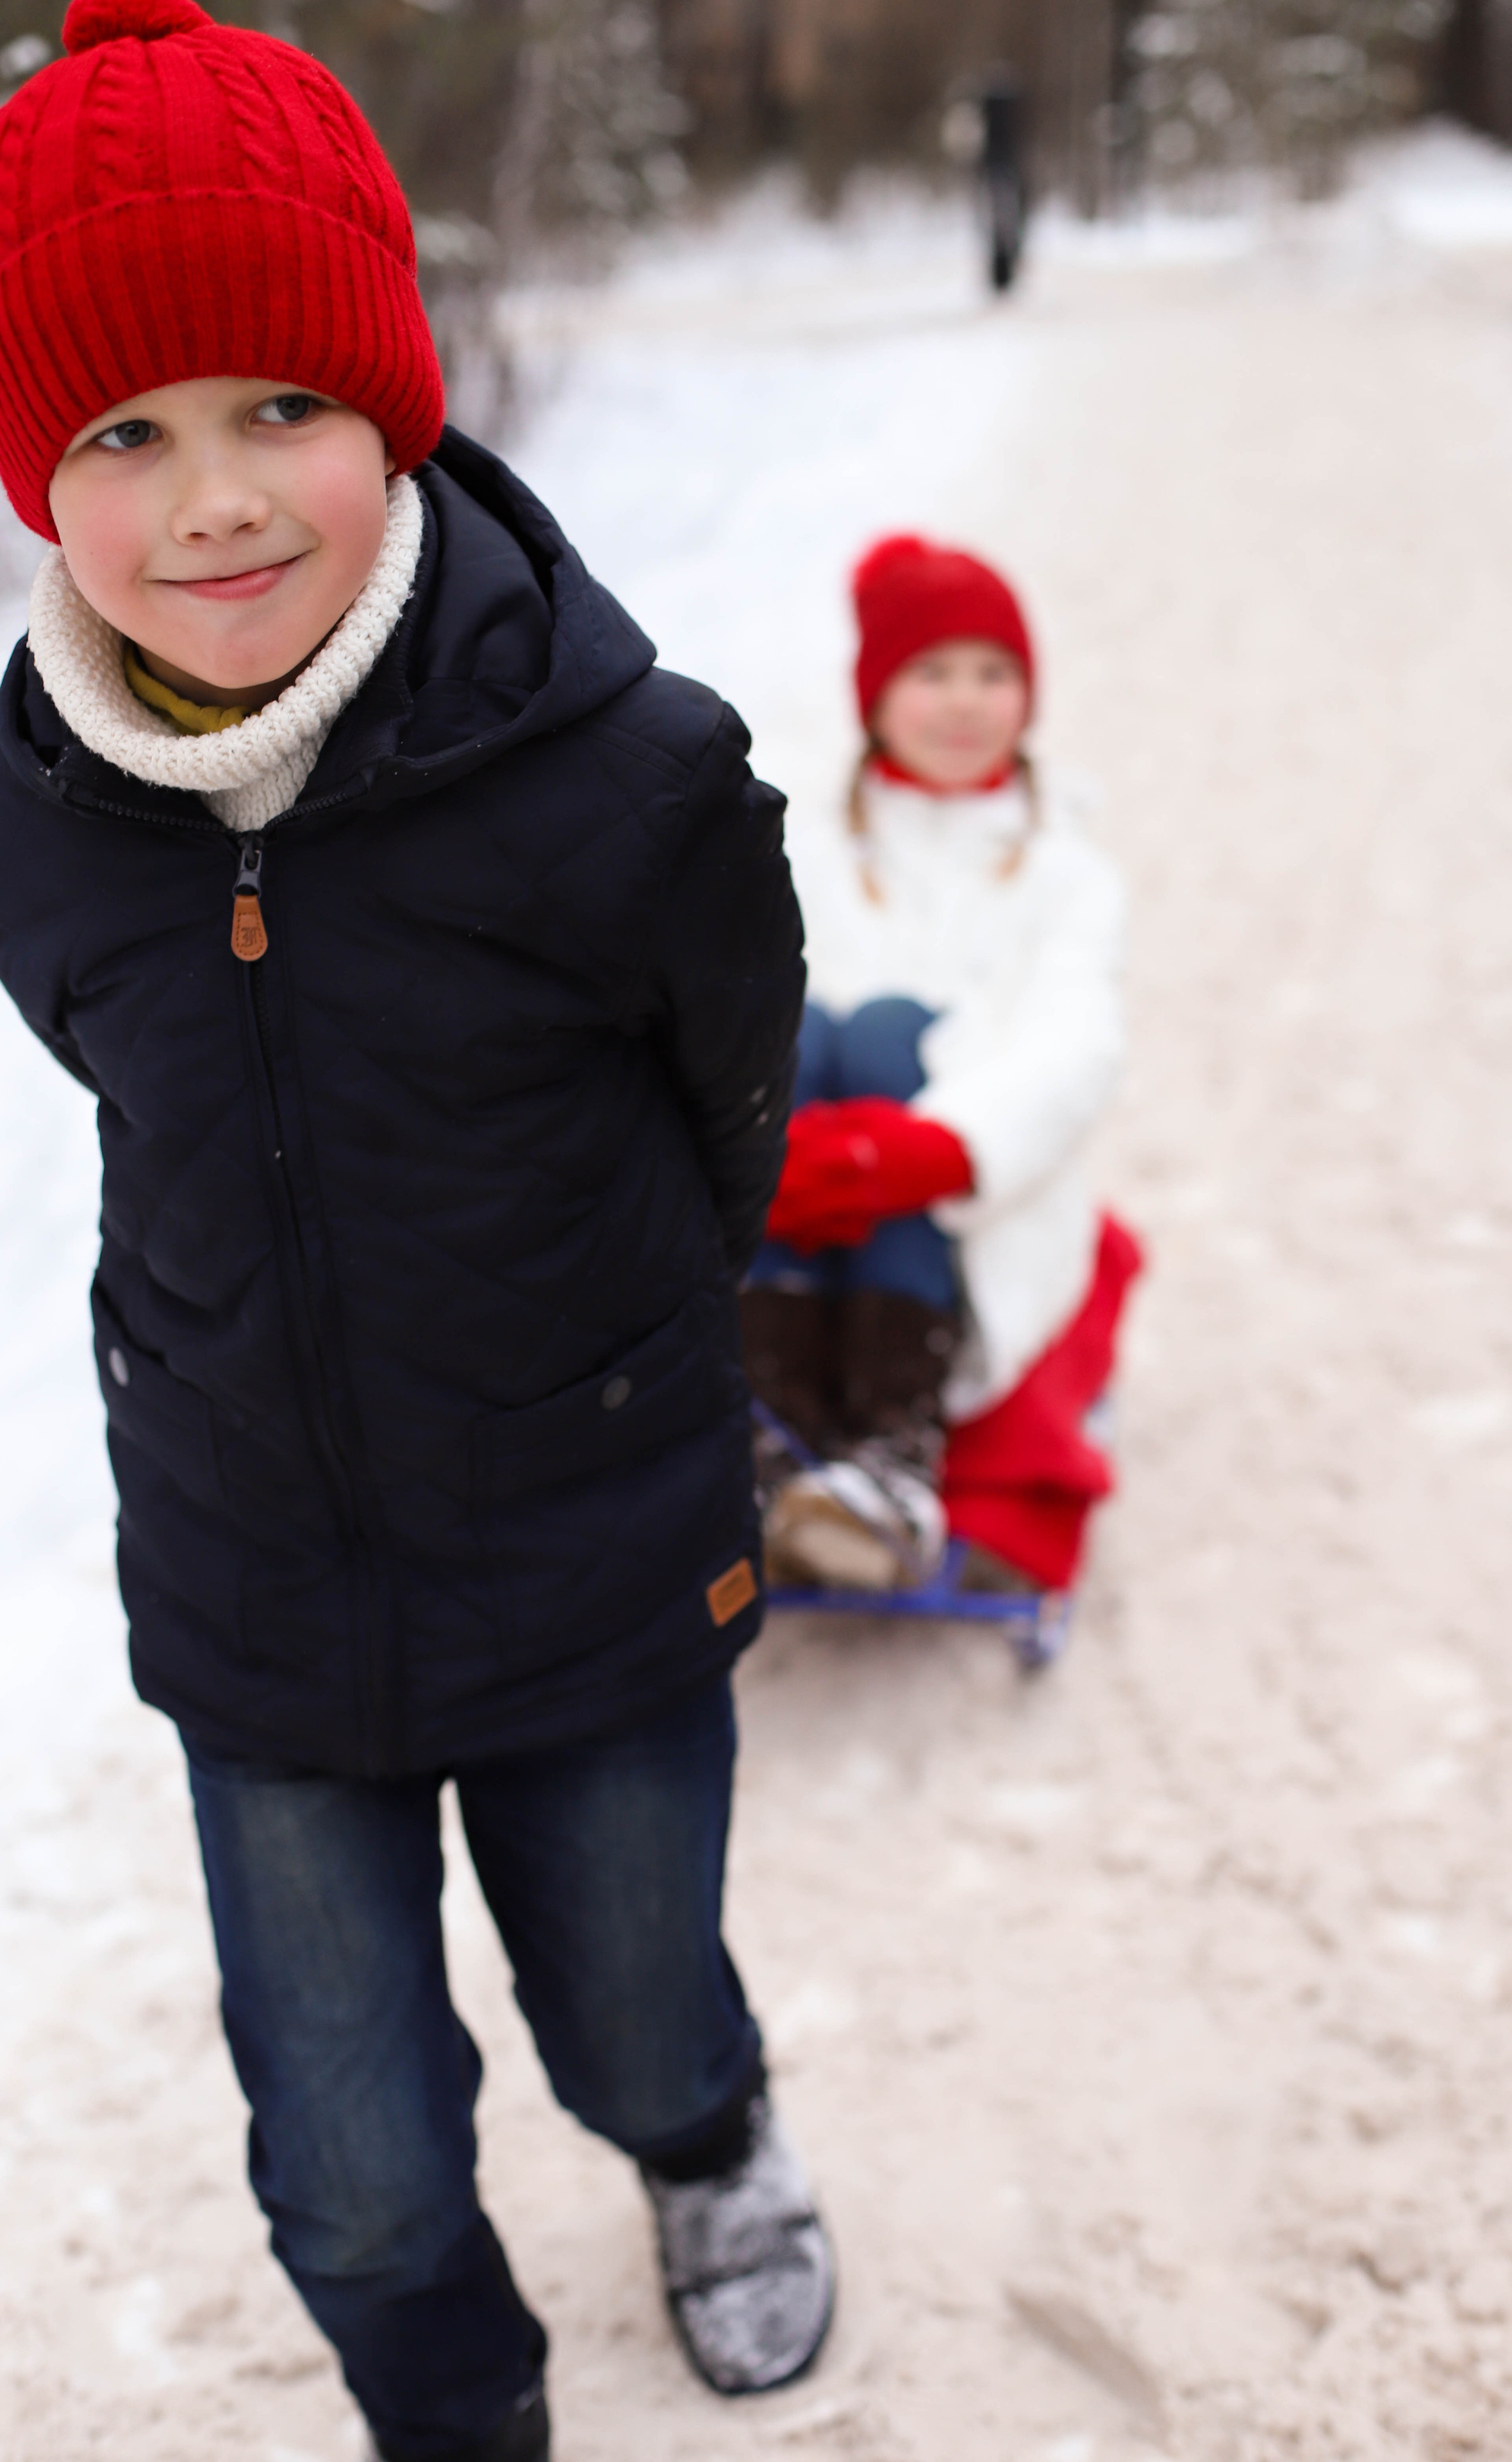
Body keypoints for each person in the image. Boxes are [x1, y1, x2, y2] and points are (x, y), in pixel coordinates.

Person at [0, 4, 829, 2457]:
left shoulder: (629, 779)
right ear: (38, 479)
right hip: (255, 1578)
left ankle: (711, 2143)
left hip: (589, 1541)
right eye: (122, 434)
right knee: (351, 2177)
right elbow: (124, 1075)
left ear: (394, 403)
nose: (212, 502)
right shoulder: (41, 815)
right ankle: (457, 2412)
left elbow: (734, 1099)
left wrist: (620, 1363)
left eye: (280, 406)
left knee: (636, 2013)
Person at [744, 532, 1140, 1597]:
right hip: (794, 1175)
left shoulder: (1064, 876)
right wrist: (774, 1138)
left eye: (993, 673)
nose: (965, 702)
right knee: (804, 1030)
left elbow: (1077, 1039)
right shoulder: (801, 846)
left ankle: (892, 1448)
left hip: (961, 1194)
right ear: (876, 696)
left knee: (889, 1033)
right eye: (933, 672)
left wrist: (930, 1150)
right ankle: (772, 1431)